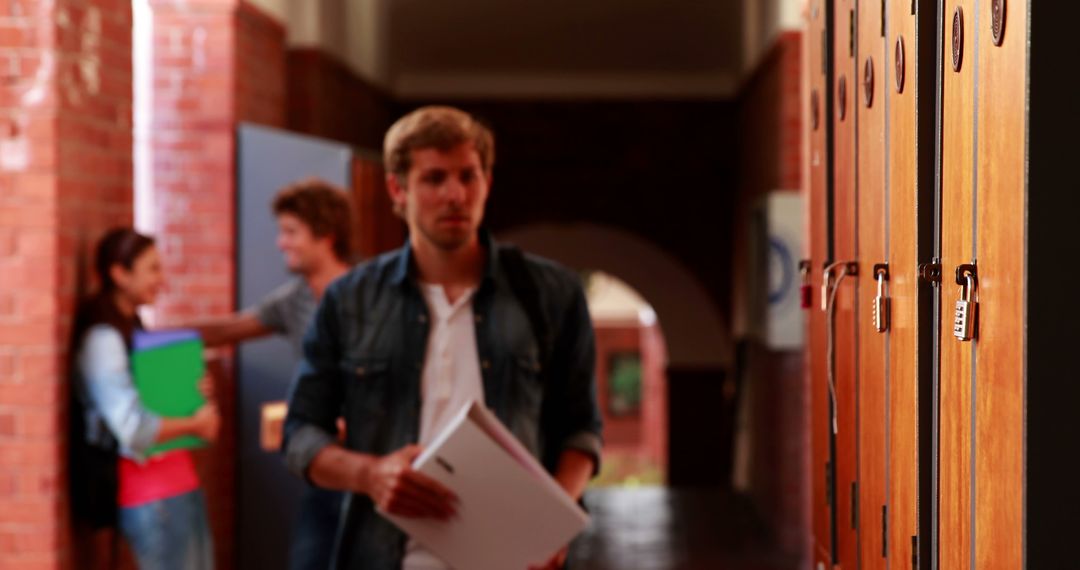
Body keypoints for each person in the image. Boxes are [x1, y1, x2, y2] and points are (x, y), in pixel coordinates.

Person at [282, 106, 604, 570]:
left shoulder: (550, 294)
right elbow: (299, 435)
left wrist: (552, 522)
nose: (456, 195)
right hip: (385, 555)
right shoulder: (351, 300)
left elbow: (581, 428)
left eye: (468, 177)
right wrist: (371, 475)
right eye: (434, 179)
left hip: (510, 558)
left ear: (487, 183)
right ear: (399, 189)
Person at [185, 179, 353, 570]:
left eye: (291, 232)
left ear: (325, 234)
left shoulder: (369, 293)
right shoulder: (294, 298)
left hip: (369, 465)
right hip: (322, 464)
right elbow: (229, 329)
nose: (281, 243)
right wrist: (142, 334)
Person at [70, 228, 221, 569]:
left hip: (179, 483)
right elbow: (132, 429)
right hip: (150, 495)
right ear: (119, 274)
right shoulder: (103, 340)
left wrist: (192, 397)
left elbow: (155, 403)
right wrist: (195, 422)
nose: (161, 279)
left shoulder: (134, 327)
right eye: (152, 268)